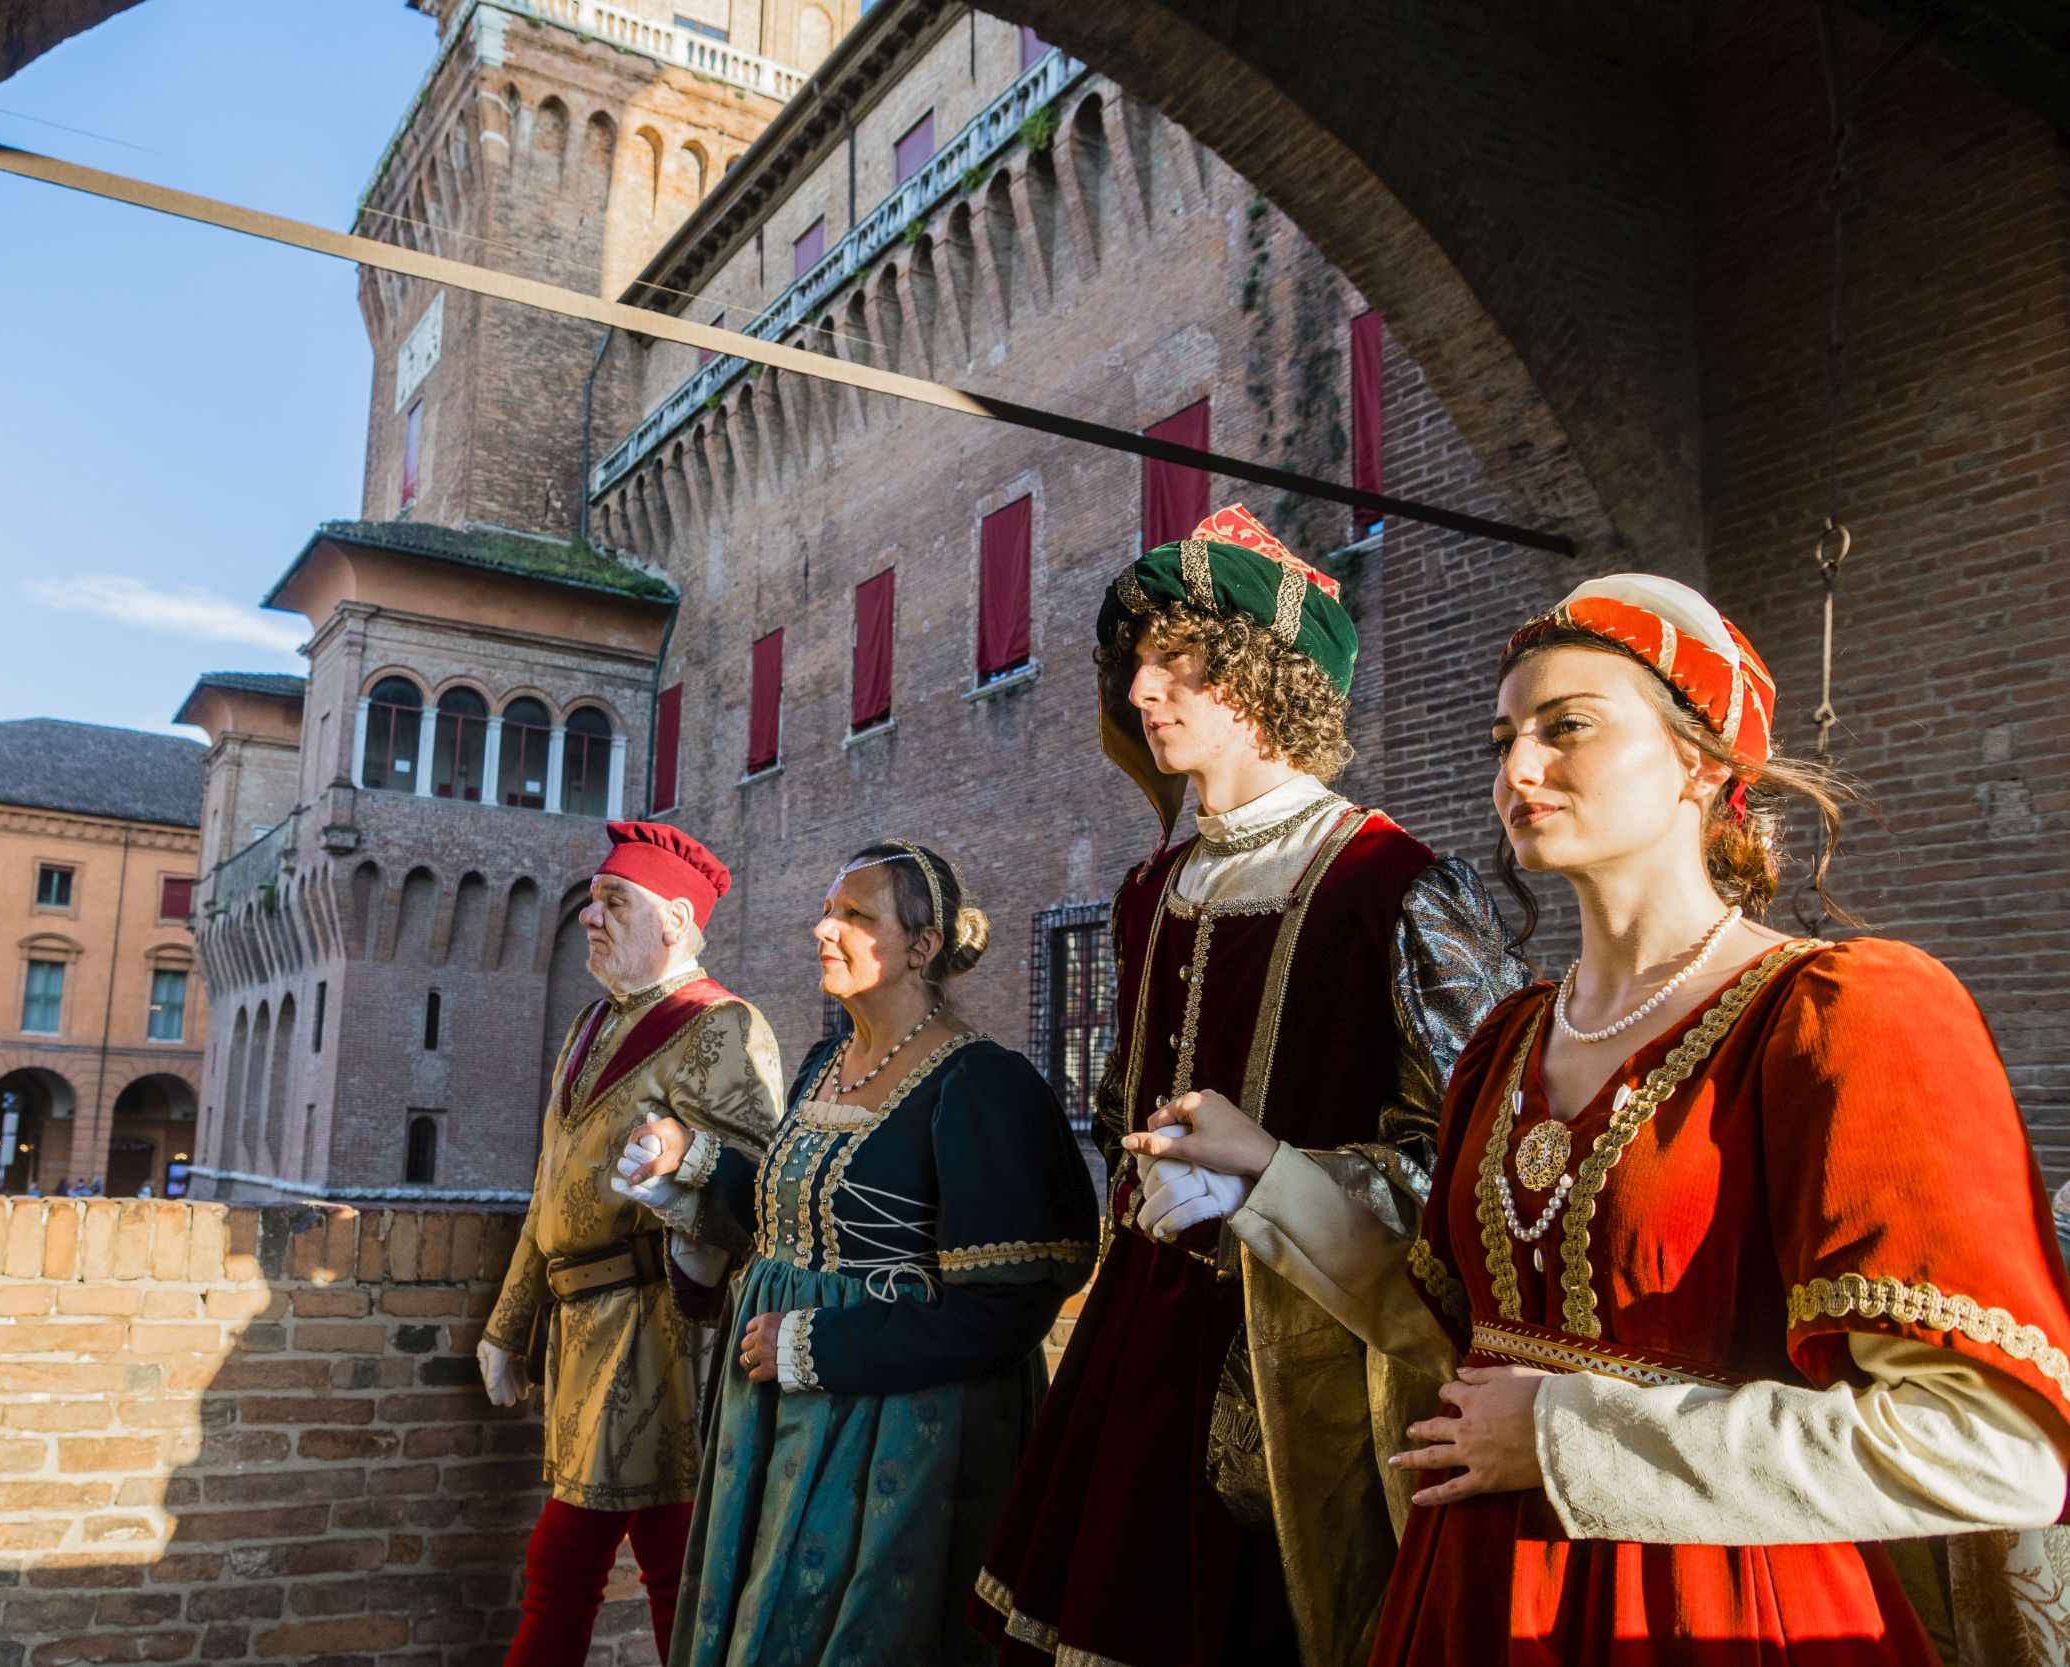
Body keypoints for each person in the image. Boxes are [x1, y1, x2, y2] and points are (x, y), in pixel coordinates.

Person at [1136, 573, 2070, 1662]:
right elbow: (1445, 1333)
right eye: (1502, 739)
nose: (1516, 769)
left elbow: (1994, 1445)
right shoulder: (1507, 1039)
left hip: (1711, 1606)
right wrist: (1268, 1180)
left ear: (1701, 760)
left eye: (1566, 726)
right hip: (1470, 1597)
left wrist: (1564, 1432)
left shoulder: (1838, 1014)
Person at [971, 502, 1526, 1667]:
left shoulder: (1396, 884)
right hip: (1133, 1350)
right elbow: (1125, 1098)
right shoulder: (1147, 890)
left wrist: (1267, 1190)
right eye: (1135, 665)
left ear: (1266, 675)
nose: (1140, 691)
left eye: (1177, 661)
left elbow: (1486, 1168)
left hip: (1309, 1367)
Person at [617, 839, 1098, 1665]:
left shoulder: (981, 1085)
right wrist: (693, 1162)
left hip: (897, 1440)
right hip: (775, 1423)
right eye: (827, 909)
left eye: (854, 915)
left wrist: (822, 1344)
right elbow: (792, 1229)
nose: (822, 929)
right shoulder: (821, 1064)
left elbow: (1006, 1310)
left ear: (923, 945)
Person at [478, 821, 785, 1667]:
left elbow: (759, 1185)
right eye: (592, 899)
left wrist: (683, 1186)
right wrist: (510, 1324)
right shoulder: (588, 1025)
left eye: (615, 900)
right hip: (583, 1336)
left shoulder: (723, 1025)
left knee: (573, 1561)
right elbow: (550, 1192)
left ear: (677, 920)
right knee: (669, 1560)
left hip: (662, 1333)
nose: (589, 916)